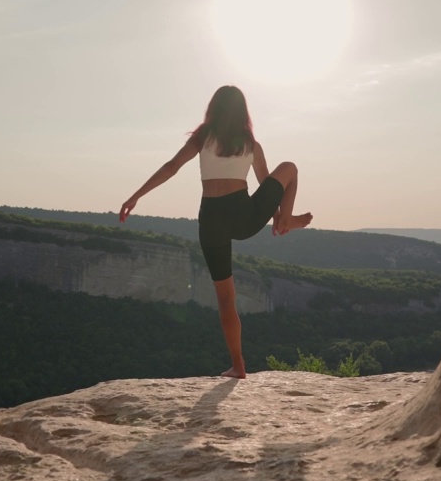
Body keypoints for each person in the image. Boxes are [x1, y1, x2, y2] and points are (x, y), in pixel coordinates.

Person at [119, 85, 312, 379]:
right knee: (290, 168)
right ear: (243, 113)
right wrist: (278, 215)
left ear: (214, 109)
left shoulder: (202, 138)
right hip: (244, 215)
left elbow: (172, 167)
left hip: (211, 219)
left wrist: (136, 195)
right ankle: (285, 221)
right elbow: (268, 186)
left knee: (226, 299)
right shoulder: (251, 145)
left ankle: (238, 366)